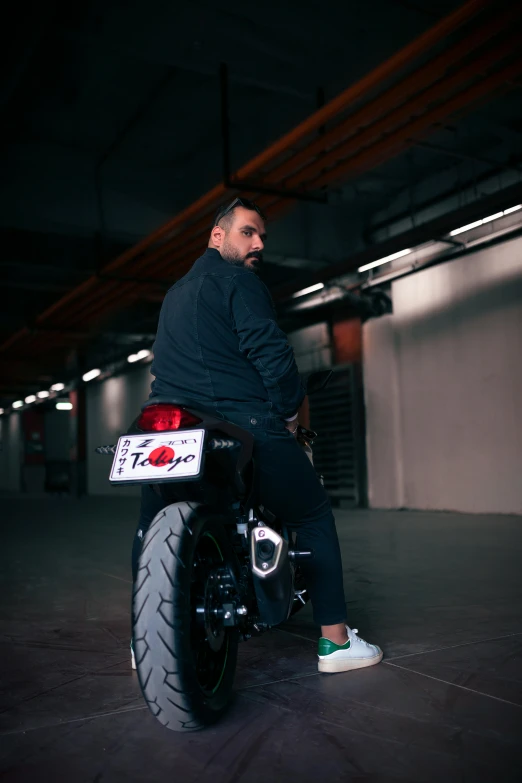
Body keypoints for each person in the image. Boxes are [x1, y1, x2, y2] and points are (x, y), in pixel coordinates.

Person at [133, 197, 382, 673]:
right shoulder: (239, 282)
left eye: (262, 236)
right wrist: (289, 412)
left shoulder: (175, 295)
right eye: (249, 232)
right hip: (238, 422)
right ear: (217, 235)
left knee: (150, 526)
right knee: (311, 512)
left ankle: (142, 641)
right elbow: (270, 352)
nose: (259, 243)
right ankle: (335, 643)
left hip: (166, 421)